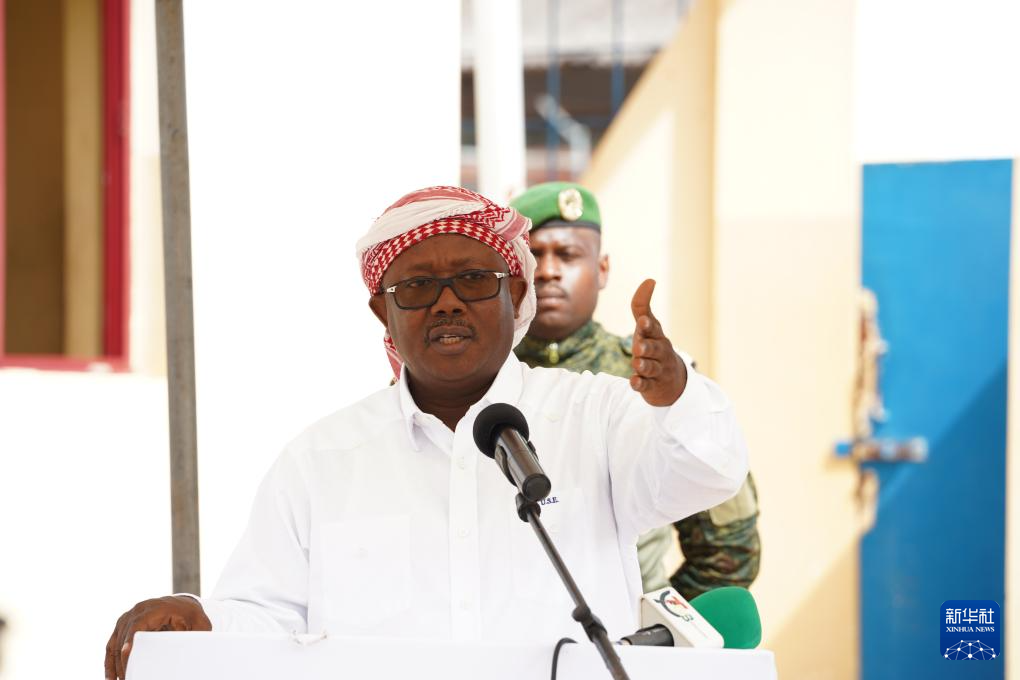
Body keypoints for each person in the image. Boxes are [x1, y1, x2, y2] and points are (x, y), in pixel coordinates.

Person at [104, 186, 748, 680]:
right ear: (382, 310)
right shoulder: (321, 459)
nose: (447, 302)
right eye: (417, 286)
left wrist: (676, 394)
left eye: (473, 279)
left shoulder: (595, 414)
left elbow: (707, 473)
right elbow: (268, 616)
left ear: (514, 291)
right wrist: (199, 619)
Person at [511, 182, 760, 599]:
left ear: (602, 268)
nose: (549, 271)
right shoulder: (477, 381)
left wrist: (655, 620)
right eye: (533, 256)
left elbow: (730, 549)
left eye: (568, 255)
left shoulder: (653, 378)